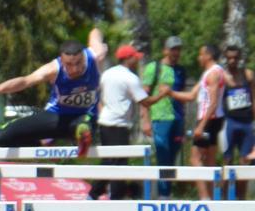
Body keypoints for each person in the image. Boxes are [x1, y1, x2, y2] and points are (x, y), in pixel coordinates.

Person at [0, 30, 108, 153]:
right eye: (69, 64)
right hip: (57, 117)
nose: (74, 69)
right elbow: (25, 81)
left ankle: (83, 137)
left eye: (79, 63)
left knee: (83, 125)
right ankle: (42, 147)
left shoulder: (94, 56)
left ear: (84, 57)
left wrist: (97, 41)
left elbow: (95, 32)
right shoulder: (53, 69)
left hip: (84, 117)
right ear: (62, 61)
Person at [88, 44, 170, 200]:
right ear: (128, 58)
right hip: (119, 125)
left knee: (110, 161)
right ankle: (110, 196)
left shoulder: (107, 74)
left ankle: (96, 194)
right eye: (135, 58)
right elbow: (145, 102)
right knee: (119, 163)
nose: (137, 61)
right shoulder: (130, 78)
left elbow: (100, 97)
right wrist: (163, 94)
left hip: (105, 122)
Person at [168, 44, 226, 199]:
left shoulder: (213, 74)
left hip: (208, 119)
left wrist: (201, 126)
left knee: (195, 159)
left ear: (208, 55)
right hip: (213, 119)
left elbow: (213, 103)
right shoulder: (210, 73)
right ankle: (216, 198)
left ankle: (205, 199)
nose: (199, 58)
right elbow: (191, 96)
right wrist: (169, 93)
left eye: (201, 54)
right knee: (211, 161)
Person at [139, 35, 187, 197]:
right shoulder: (154, 67)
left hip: (178, 119)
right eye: (173, 49)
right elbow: (143, 96)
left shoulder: (181, 70)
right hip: (160, 118)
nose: (176, 52)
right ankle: (163, 195)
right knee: (163, 156)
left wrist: (184, 120)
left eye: (178, 49)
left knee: (172, 158)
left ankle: (167, 192)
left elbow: (182, 96)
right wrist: (145, 120)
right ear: (165, 50)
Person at [222, 45, 253, 197]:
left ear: (240, 58)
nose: (233, 61)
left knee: (245, 162)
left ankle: (240, 200)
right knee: (227, 161)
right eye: (230, 58)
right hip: (229, 122)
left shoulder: (247, 75)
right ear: (226, 58)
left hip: (247, 123)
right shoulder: (223, 76)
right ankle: (223, 198)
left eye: (235, 58)